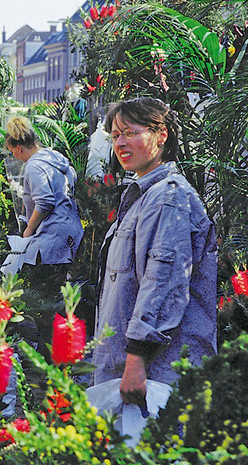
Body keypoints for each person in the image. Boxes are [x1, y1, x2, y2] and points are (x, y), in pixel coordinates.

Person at [92, 97, 217, 410]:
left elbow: (162, 282)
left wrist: (137, 358)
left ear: (162, 135)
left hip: (157, 373)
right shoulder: (142, 195)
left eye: (130, 133)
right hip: (129, 369)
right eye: (115, 135)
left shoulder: (168, 199)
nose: (120, 143)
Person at [3, 116, 83, 288]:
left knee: (47, 291)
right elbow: (72, 178)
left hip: (52, 236)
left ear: (18, 148)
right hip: (71, 229)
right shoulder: (53, 157)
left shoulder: (34, 166)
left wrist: (29, 229)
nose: (14, 156)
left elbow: (45, 202)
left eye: (12, 152)